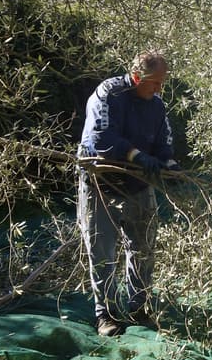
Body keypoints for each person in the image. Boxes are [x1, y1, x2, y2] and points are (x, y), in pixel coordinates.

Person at [77, 50, 180, 336]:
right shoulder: (108, 94)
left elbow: (163, 142)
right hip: (101, 184)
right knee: (102, 252)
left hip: (138, 185)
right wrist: (136, 155)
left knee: (143, 248)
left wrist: (169, 164)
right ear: (136, 77)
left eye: (162, 82)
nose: (159, 88)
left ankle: (138, 308)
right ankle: (106, 315)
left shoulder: (156, 105)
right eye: (155, 82)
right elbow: (101, 138)